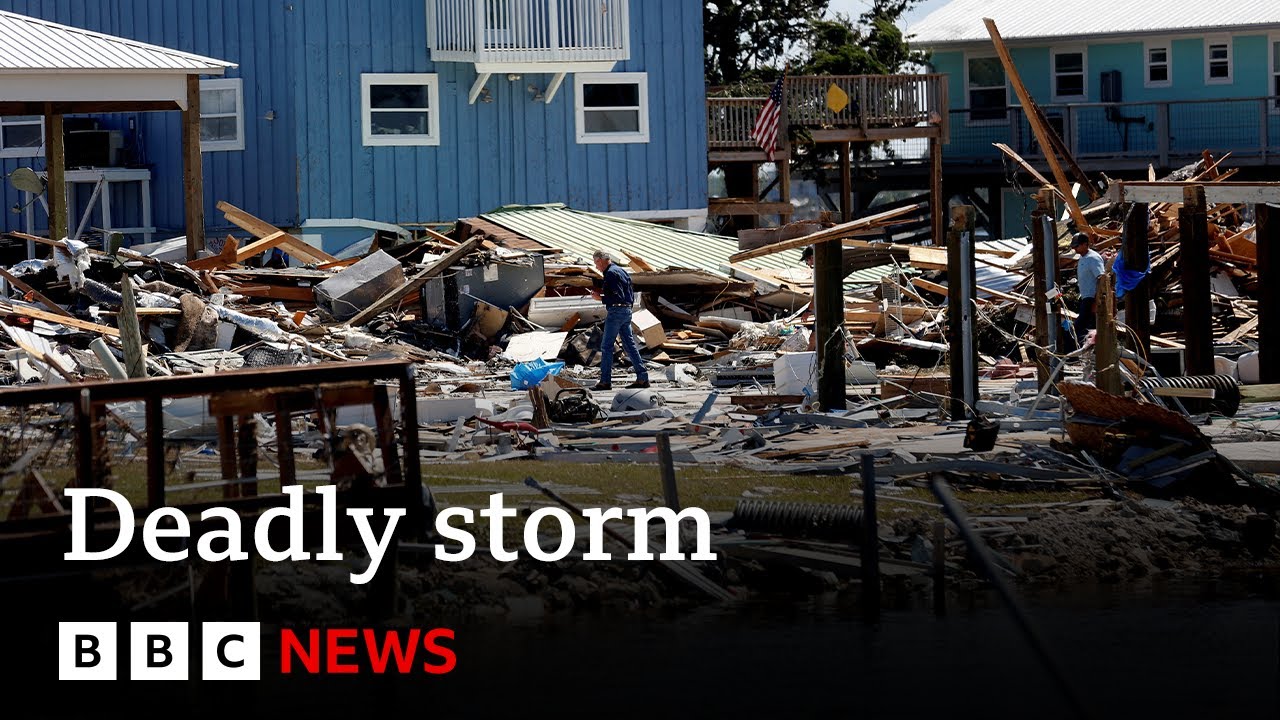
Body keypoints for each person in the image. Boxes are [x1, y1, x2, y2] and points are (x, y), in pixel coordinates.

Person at [589, 250, 650, 391]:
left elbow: (618, 297)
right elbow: (625, 294)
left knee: (606, 346)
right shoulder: (620, 271)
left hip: (616, 311)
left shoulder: (610, 273)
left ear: (601, 260)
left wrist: (600, 298)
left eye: (596, 263)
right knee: (629, 345)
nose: (596, 266)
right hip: (626, 311)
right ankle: (642, 377)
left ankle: (605, 381)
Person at [1072, 232, 1105, 346]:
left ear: (1085, 244)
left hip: (1091, 298)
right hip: (1086, 297)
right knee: (1084, 328)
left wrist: (1097, 300)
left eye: (1077, 246)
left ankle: (1077, 353)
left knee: (1080, 327)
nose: (1075, 249)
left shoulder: (1093, 258)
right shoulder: (1082, 258)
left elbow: (1101, 278)